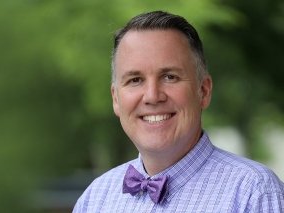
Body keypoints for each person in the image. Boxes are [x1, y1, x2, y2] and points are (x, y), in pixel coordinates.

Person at [73, 11, 284, 212]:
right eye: (135, 80)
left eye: (170, 77)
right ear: (116, 99)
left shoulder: (254, 194)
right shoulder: (95, 199)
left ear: (204, 91)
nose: (152, 96)